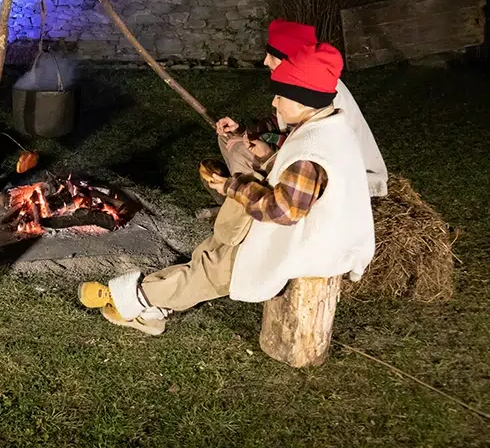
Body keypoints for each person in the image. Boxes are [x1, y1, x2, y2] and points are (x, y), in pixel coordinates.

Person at [78, 43, 375, 335]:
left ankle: (135, 300)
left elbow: (282, 210)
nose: (274, 103)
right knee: (210, 252)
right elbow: (296, 182)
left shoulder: (313, 151)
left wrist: (234, 186)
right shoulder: (324, 124)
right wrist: (267, 157)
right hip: (298, 231)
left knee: (213, 270)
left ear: (302, 103)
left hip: (305, 244)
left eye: (280, 97)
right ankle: (157, 307)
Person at [213, 19, 388, 198]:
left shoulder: (318, 91)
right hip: (297, 150)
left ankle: (249, 209)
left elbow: (309, 144)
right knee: (227, 137)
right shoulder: (297, 83)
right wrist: (243, 130)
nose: (265, 61)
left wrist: (264, 149)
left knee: (239, 151)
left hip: (341, 175)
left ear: (286, 58)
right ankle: (240, 196)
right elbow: (284, 123)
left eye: (271, 56)